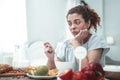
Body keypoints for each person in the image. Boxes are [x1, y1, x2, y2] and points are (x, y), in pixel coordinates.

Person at [44, 1, 109, 72]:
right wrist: (51, 59)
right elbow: (53, 71)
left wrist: (76, 43)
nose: (72, 27)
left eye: (77, 22)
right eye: (69, 23)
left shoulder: (96, 41)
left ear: (88, 23)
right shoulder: (65, 44)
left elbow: (89, 70)